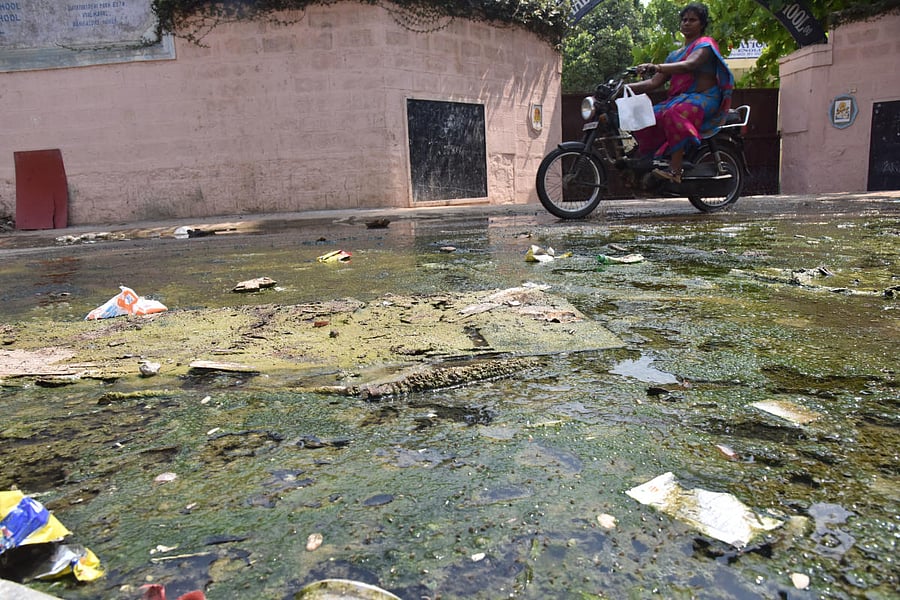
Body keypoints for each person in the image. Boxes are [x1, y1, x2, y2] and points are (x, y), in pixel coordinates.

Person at [627, 2, 734, 183]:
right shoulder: (674, 55)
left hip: (705, 98)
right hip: (679, 100)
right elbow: (654, 82)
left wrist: (656, 66)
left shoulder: (705, 45)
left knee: (673, 113)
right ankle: (649, 162)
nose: (686, 23)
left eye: (692, 20)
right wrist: (625, 88)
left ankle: (675, 171)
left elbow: (689, 65)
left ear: (702, 24)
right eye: (684, 20)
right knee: (648, 115)